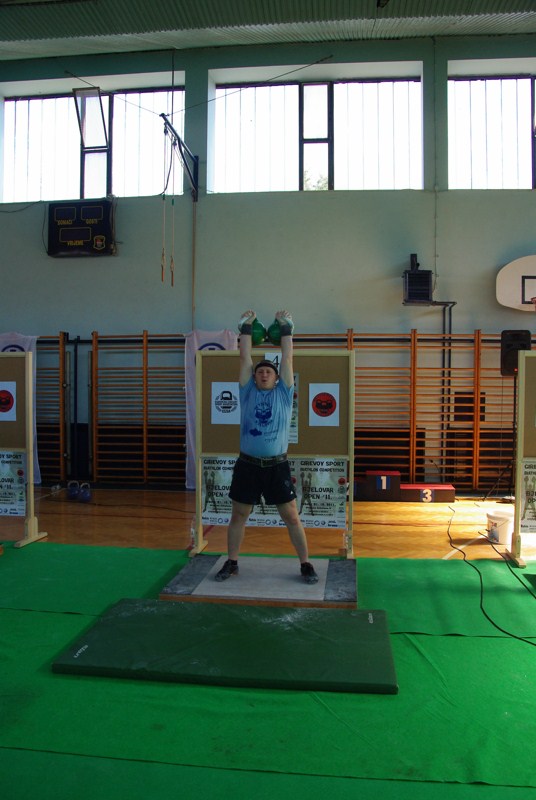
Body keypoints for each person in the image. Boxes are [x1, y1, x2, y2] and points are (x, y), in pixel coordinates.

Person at [215, 309, 318, 584]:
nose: (263, 374)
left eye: (268, 372)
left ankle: (306, 564)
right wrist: (246, 329)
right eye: (259, 372)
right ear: (254, 377)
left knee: (292, 517)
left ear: (276, 378)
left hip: (276, 466)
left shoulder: (284, 394)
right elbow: (244, 358)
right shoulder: (247, 392)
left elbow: (287, 358)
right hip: (248, 465)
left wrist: (286, 329)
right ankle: (232, 562)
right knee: (239, 515)